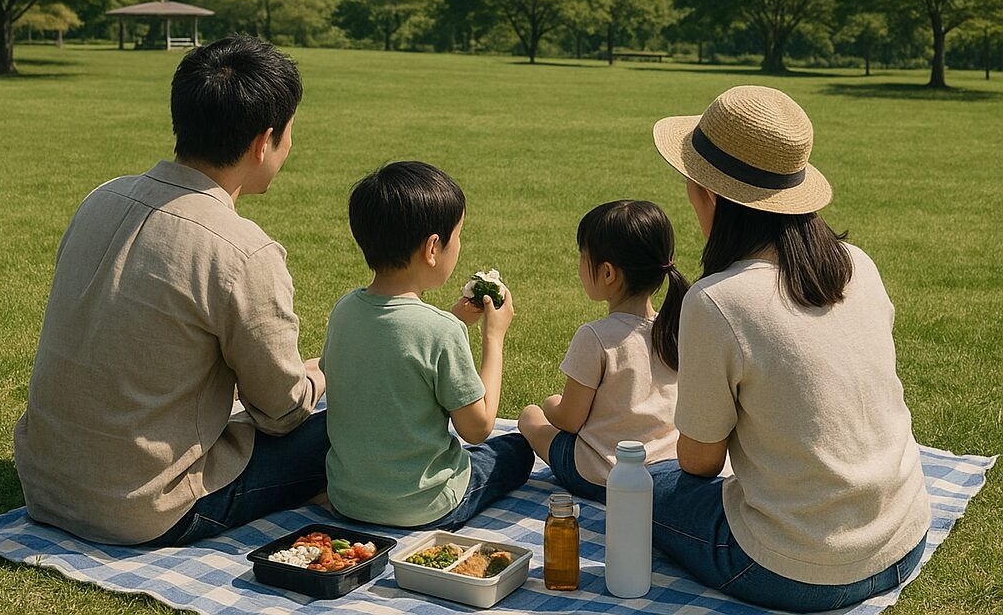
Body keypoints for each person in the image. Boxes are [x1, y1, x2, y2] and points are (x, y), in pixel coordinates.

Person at [13, 36, 329, 546]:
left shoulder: (100, 197)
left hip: (46, 486)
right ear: (264, 141)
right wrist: (320, 375)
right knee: (348, 428)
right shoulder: (242, 250)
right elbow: (281, 413)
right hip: (143, 510)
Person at [649, 84, 930, 612]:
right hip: (902, 536)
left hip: (796, 568)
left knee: (642, 487)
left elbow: (699, 462)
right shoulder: (858, 264)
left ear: (708, 194)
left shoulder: (717, 302)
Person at [321, 160, 534, 529]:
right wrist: (493, 338)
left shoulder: (345, 309)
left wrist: (453, 321)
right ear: (433, 247)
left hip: (349, 498)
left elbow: (393, 350)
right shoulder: (440, 331)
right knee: (515, 450)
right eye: (458, 235)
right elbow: (478, 428)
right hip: (425, 506)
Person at [517, 200, 689, 502]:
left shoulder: (596, 337)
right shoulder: (675, 327)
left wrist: (549, 404)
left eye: (583, 256)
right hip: (662, 472)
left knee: (529, 417)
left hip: (602, 474)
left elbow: (569, 420)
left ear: (608, 273)